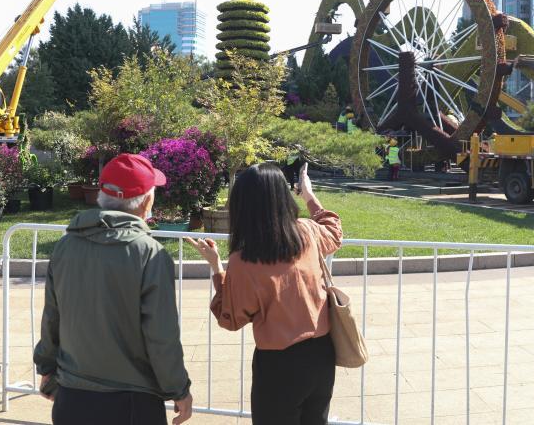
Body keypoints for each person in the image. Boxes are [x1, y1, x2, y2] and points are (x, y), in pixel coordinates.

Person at [33, 153, 193, 425]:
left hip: (72, 395)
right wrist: (178, 388)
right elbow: (161, 334)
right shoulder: (149, 253)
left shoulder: (65, 246)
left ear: (102, 195)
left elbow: (52, 316)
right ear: (146, 201)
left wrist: (46, 366)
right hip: (132, 401)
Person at [187, 163, 342, 425]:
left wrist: (216, 268)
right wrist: (308, 195)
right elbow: (334, 230)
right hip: (322, 355)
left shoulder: (245, 260)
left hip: (279, 364)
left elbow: (231, 318)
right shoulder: (308, 232)